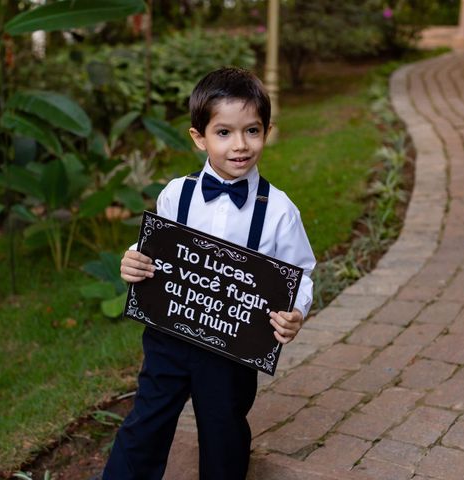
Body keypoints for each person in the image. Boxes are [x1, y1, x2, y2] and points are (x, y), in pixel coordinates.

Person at [100, 67, 316, 480]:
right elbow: (155, 246)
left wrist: (296, 311)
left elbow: (301, 272)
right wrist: (133, 258)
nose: (240, 145)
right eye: (224, 133)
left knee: (223, 431)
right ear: (199, 137)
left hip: (232, 348)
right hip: (169, 334)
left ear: (267, 131)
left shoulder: (278, 211)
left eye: (252, 131)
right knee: (146, 421)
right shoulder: (175, 193)